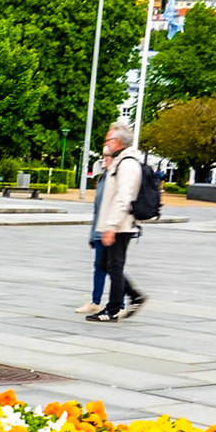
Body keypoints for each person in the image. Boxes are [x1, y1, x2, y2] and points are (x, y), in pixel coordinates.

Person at [87, 122, 147, 322]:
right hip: (114, 223)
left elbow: (124, 197)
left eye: (108, 140)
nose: (105, 144)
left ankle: (113, 309)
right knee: (107, 264)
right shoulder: (119, 161)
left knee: (114, 266)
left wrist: (111, 226)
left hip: (121, 225)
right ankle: (133, 296)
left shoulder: (128, 164)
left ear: (118, 141)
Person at [75, 171, 108, 315]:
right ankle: (96, 301)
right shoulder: (103, 178)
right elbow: (97, 211)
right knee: (100, 267)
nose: (105, 161)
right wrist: (93, 235)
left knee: (114, 268)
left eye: (107, 159)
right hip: (101, 231)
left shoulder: (117, 177)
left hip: (112, 231)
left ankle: (121, 302)